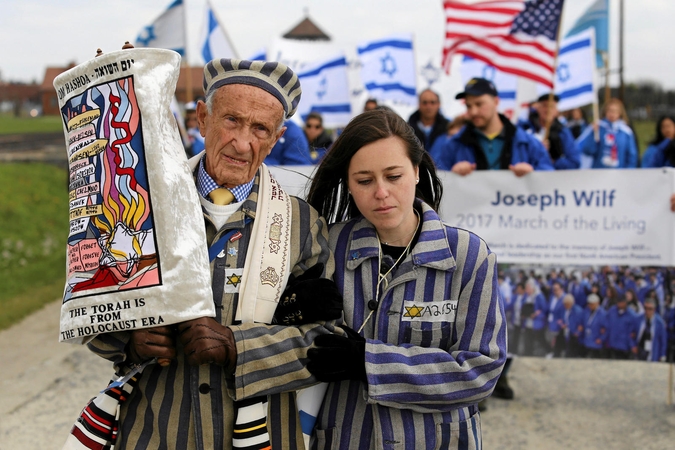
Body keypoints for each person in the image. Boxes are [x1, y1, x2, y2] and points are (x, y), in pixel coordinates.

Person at [86, 58, 341, 449]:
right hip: (155, 433)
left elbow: (325, 341)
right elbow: (89, 305)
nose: (242, 143)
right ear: (203, 118)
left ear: (276, 138)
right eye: (232, 120)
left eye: (260, 129)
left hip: (263, 436)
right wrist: (129, 340)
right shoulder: (139, 206)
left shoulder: (301, 225)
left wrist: (238, 346)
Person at [306, 109, 506, 449]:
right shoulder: (324, 247)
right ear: (349, 185)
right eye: (365, 181)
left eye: (393, 176)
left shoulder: (469, 257)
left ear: (415, 171)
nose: (381, 193)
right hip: (345, 437)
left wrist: (370, 363)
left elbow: (480, 371)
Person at [430, 77, 554, 176]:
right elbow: (437, 183)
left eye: (479, 104)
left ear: (496, 102)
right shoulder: (453, 145)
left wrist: (534, 175)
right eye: (469, 106)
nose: (473, 112)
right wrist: (451, 175)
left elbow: (551, 181)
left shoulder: (528, 143)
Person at [519, 93, 580, 170]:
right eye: (545, 105)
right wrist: (537, 148)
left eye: (552, 106)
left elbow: (574, 162)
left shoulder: (563, 132)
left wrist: (552, 161)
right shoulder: (524, 129)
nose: (548, 110)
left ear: (557, 111)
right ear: (538, 108)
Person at [576, 98, 638, 169]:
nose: (612, 114)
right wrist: (593, 134)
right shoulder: (599, 127)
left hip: (619, 172)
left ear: (620, 113)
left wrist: (628, 172)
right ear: (605, 111)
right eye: (610, 111)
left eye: (615, 111)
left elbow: (632, 156)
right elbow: (588, 150)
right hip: (599, 171)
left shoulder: (626, 132)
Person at [606, 295, 638, 359]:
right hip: (612, 344)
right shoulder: (612, 311)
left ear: (625, 302)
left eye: (621, 302)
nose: (619, 304)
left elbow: (633, 332)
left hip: (624, 346)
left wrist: (632, 345)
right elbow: (607, 324)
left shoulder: (632, 315)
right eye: (618, 302)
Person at [583, 293, 607, 359]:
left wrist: (601, 338)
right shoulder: (586, 311)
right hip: (587, 340)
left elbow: (606, 329)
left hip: (596, 342)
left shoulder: (602, 313)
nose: (590, 305)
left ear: (597, 303)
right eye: (589, 304)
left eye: (592, 304)